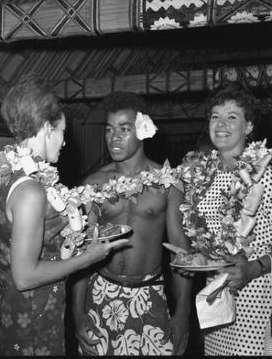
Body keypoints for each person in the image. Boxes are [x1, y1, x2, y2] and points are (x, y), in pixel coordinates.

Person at [0, 77, 129, 356]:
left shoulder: (17, 178)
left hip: (27, 311)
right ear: (46, 128)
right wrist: (86, 259)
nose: (65, 141)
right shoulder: (31, 191)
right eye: (63, 130)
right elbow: (25, 276)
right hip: (32, 319)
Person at [72, 91, 192, 356]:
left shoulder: (167, 182)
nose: (114, 137)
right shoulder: (93, 184)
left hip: (149, 295)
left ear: (143, 130)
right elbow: (81, 251)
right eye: (109, 129)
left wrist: (183, 313)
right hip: (101, 292)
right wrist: (78, 312)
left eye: (124, 129)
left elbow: (181, 251)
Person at [195, 82, 272, 355]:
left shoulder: (265, 176)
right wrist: (197, 258)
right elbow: (208, 234)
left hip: (255, 302)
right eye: (215, 116)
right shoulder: (205, 177)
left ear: (249, 127)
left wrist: (253, 269)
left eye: (232, 117)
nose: (221, 123)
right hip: (216, 301)